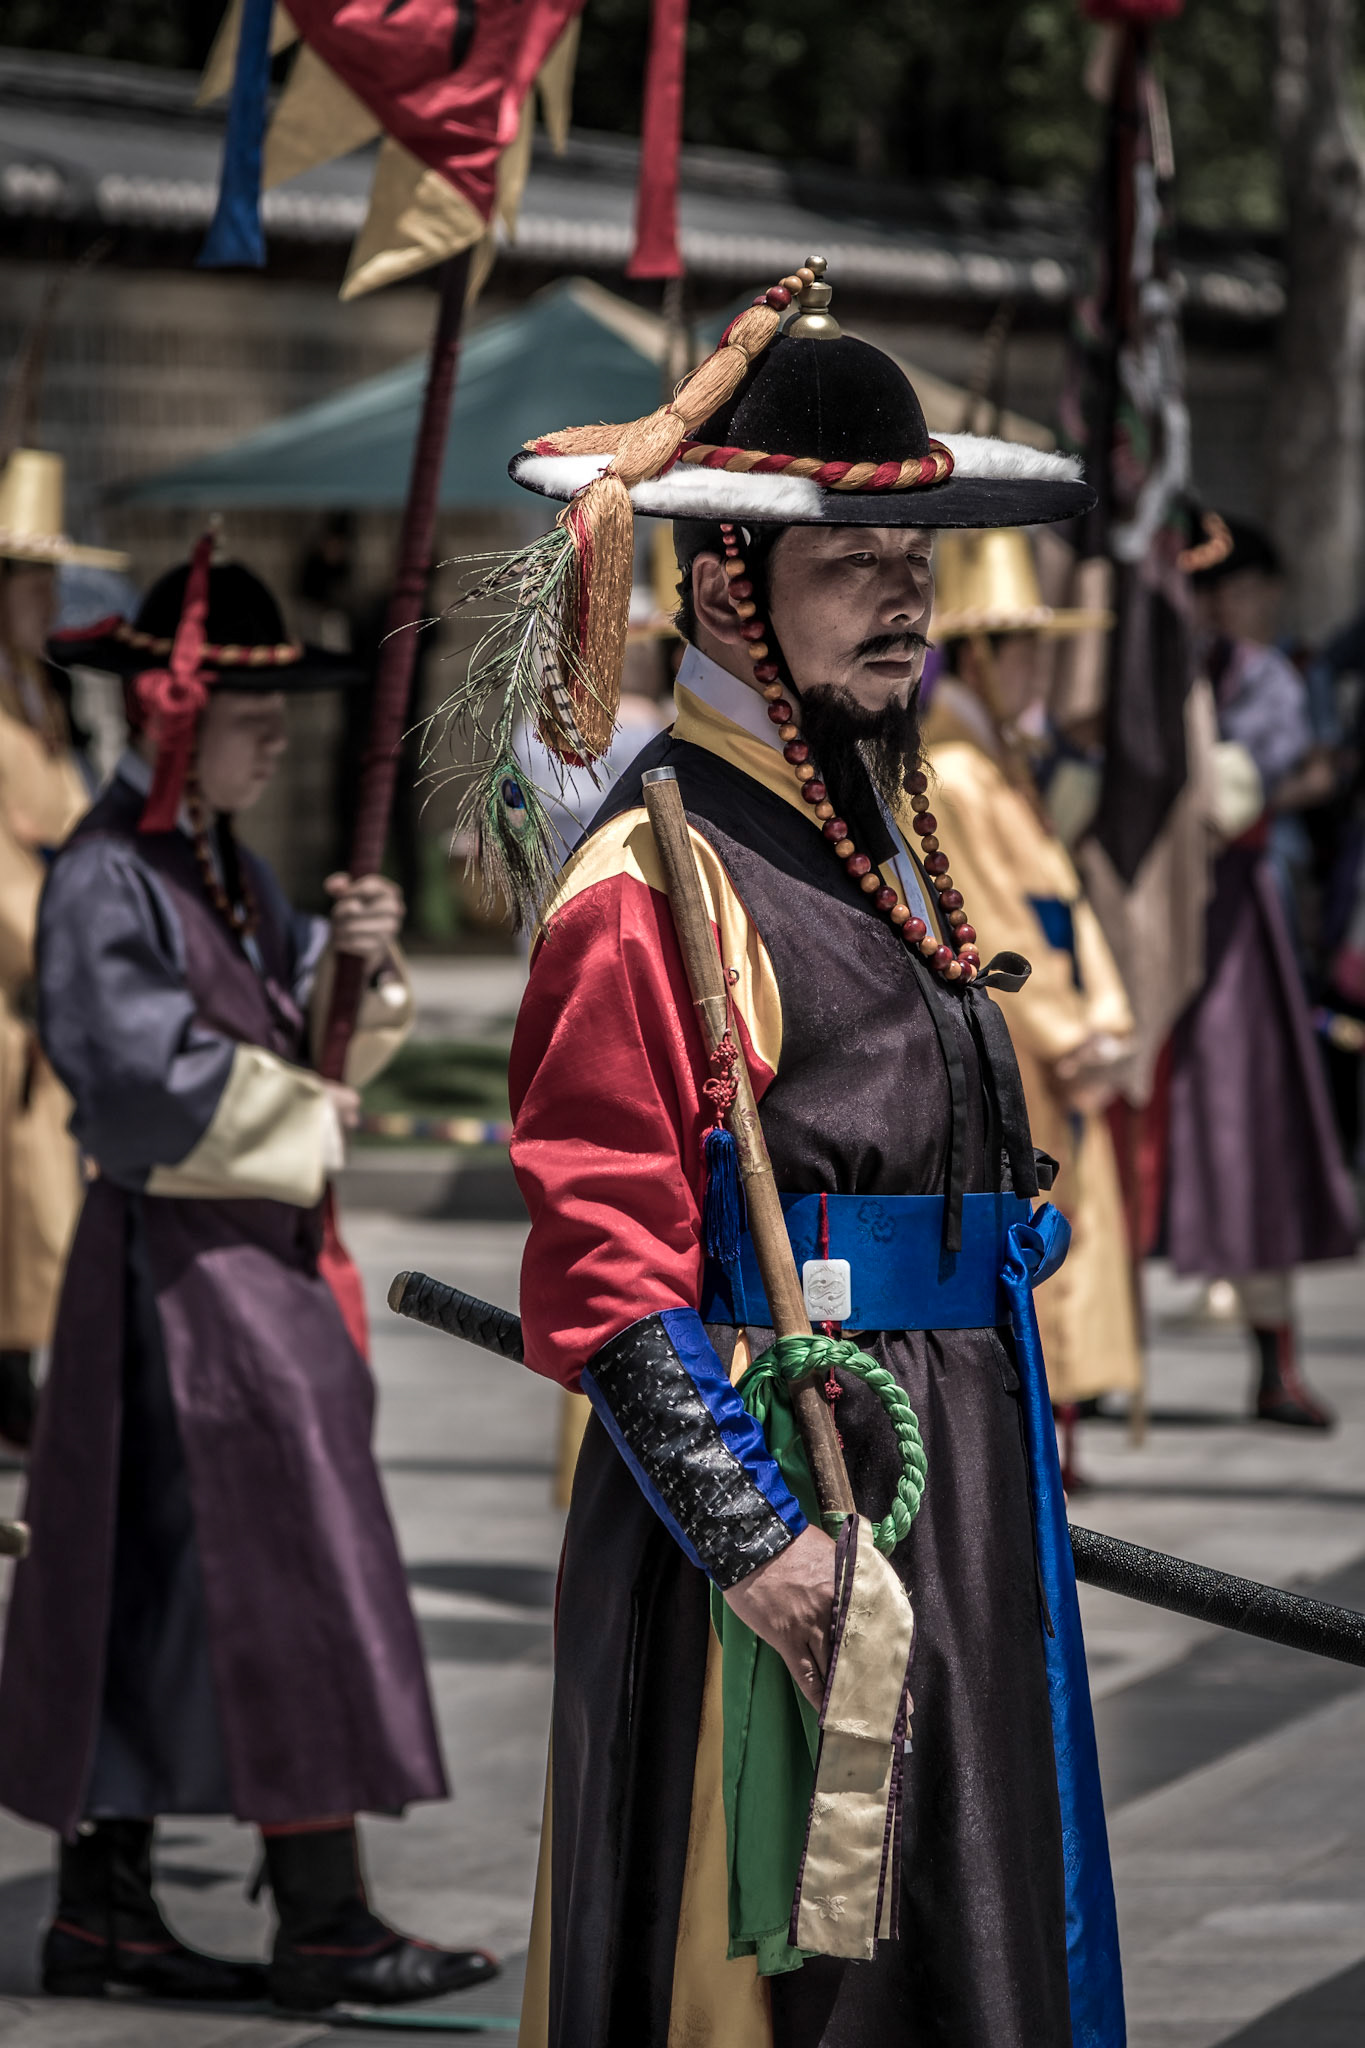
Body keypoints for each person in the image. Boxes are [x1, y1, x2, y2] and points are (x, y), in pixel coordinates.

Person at [464, 263, 1124, 2046]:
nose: (907, 602)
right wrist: (757, 1546)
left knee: (967, 1934)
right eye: (857, 566)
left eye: (916, 565)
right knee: (804, 1968)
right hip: (787, 1486)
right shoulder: (650, 882)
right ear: (728, 591)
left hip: (949, 1468)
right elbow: (604, 1264)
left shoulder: (877, 830)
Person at [0, 545, 498, 2012]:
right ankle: (321, 1910)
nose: (279, 742)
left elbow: (306, 1036)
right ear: (175, 720)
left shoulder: (221, 863)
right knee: (284, 1560)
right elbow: (132, 1078)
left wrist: (358, 966)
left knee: (142, 1582)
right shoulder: (104, 874)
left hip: (233, 1265)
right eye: (253, 717)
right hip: (175, 1272)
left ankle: (106, 1906)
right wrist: (294, 1104)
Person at [921, 528, 1141, 1463]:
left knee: (1070, 1224)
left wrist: (1106, 1017)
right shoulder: (955, 773)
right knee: (1035, 1227)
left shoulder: (998, 765)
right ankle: (1033, 1425)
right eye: (1024, 651)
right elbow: (995, 925)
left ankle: (1058, 1421)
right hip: (1022, 1044)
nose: (1040, 672)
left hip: (1059, 1041)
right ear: (978, 654)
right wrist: (1065, 1029)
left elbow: (1064, 908)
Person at [1167, 521, 1359, 1427]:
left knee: (1252, 1132)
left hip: (1237, 923)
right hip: (1139, 923)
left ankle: (1271, 1359)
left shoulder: (1259, 680)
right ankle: (1076, 1391)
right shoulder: (1151, 669)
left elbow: (1241, 793)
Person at [0, 449, 117, 1446]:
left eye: (49, 582)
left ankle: (30, 1390)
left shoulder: (41, 692)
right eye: (29, 582)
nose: (45, 600)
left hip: (49, 977)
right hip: (14, 981)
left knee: (45, 1210)